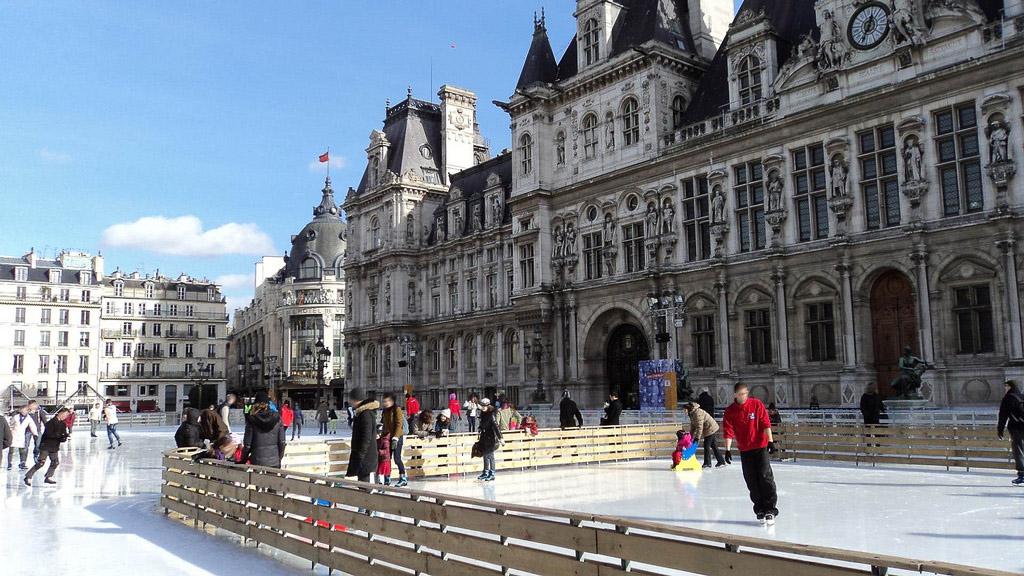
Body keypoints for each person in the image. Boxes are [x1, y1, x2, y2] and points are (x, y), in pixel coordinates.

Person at [723, 382, 779, 526]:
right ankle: (759, 508)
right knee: (751, 480)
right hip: (745, 449)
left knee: (765, 476)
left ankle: (770, 509)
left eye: (745, 393)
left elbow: (766, 423)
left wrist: (771, 442)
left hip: (760, 446)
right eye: (741, 394)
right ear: (735, 395)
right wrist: (728, 450)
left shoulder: (756, 404)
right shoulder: (730, 411)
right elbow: (728, 431)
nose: (744, 396)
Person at [24, 407, 71, 486]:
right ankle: (28, 477)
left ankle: (48, 477)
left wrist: (64, 437)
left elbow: (63, 435)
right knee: (41, 463)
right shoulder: (50, 423)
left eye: (66, 416)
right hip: (46, 446)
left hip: (54, 447)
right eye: (64, 414)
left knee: (55, 462)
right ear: (60, 413)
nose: (65, 417)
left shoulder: (63, 424)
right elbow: (49, 434)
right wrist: (60, 435)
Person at [345, 388, 380, 483]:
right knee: (363, 487)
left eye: (351, 399)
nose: (350, 402)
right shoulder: (361, 413)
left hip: (366, 458)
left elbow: (366, 436)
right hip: (363, 458)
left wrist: (360, 454)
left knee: (368, 489)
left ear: (355, 399)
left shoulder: (365, 414)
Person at [243, 394, 286, 468]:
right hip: (274, 461)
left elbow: (247, 445)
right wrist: (279, 458)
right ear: (268, 404)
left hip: (257, 460)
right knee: (272, 479)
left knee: (258, 479)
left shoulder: (251, 419)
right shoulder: (277, 418)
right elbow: (282, 442)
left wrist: (243, 459)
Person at [997, 379, 1024, 486]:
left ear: (1010, 387)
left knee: (1019, 450)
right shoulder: (1022, 396)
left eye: (1006, 386)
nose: (1005, 388)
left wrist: (1000, 429)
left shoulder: (1008, 398)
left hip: (1016, 427)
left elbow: (1003, 415)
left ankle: (1022, 475)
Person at [686, 402, 726, 468]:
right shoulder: (691, 413)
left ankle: (707, 463)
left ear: (689, 409)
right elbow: (693, 426)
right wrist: (690, 436)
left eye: (685, 410)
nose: (684, 411)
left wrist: (697, 438)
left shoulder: (697, 413)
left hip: (710, 428)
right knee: (713, 445)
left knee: (706, 445)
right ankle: (721, 461)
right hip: (708, 428)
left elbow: (699, 427)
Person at [381, 392, 408, 487]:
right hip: (388, 437)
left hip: (397, 437)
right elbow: (385, 424)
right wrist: (382, 435)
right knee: (386, 458)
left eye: (387, 401)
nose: (385, 403)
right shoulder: (385, 411)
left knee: (397, 458)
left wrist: (395, 438)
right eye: (384, 401)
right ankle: (387, 478)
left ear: (392, 401)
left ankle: (403, 477)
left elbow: (398, 424)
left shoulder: (397, 410)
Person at [474, 398, 502, 481]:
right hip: (484, 438)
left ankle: (492, 473)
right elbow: (482, 424)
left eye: (484, 406)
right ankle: (485, 472)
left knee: (490, 456)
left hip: (490, 438)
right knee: (485, 456)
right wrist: (480, 428)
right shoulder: (483, 414)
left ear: (488, 406)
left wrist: (501, 437)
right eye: (482, 406)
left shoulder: (491, 415)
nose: (482, 408)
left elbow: (496, 427)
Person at [8, 404, 38, 470]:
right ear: (21, 410)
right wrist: (8, 433)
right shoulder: (16, 417)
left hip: (21, 436)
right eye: (23, 409)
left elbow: (32, 426)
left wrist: (35, 434)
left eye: (26, 410)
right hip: (13, 434)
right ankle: (9, 463)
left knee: (22, 450)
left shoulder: (28, 418)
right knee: (11, 450)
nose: (24, 411)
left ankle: (22, 463)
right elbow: (10, 425)